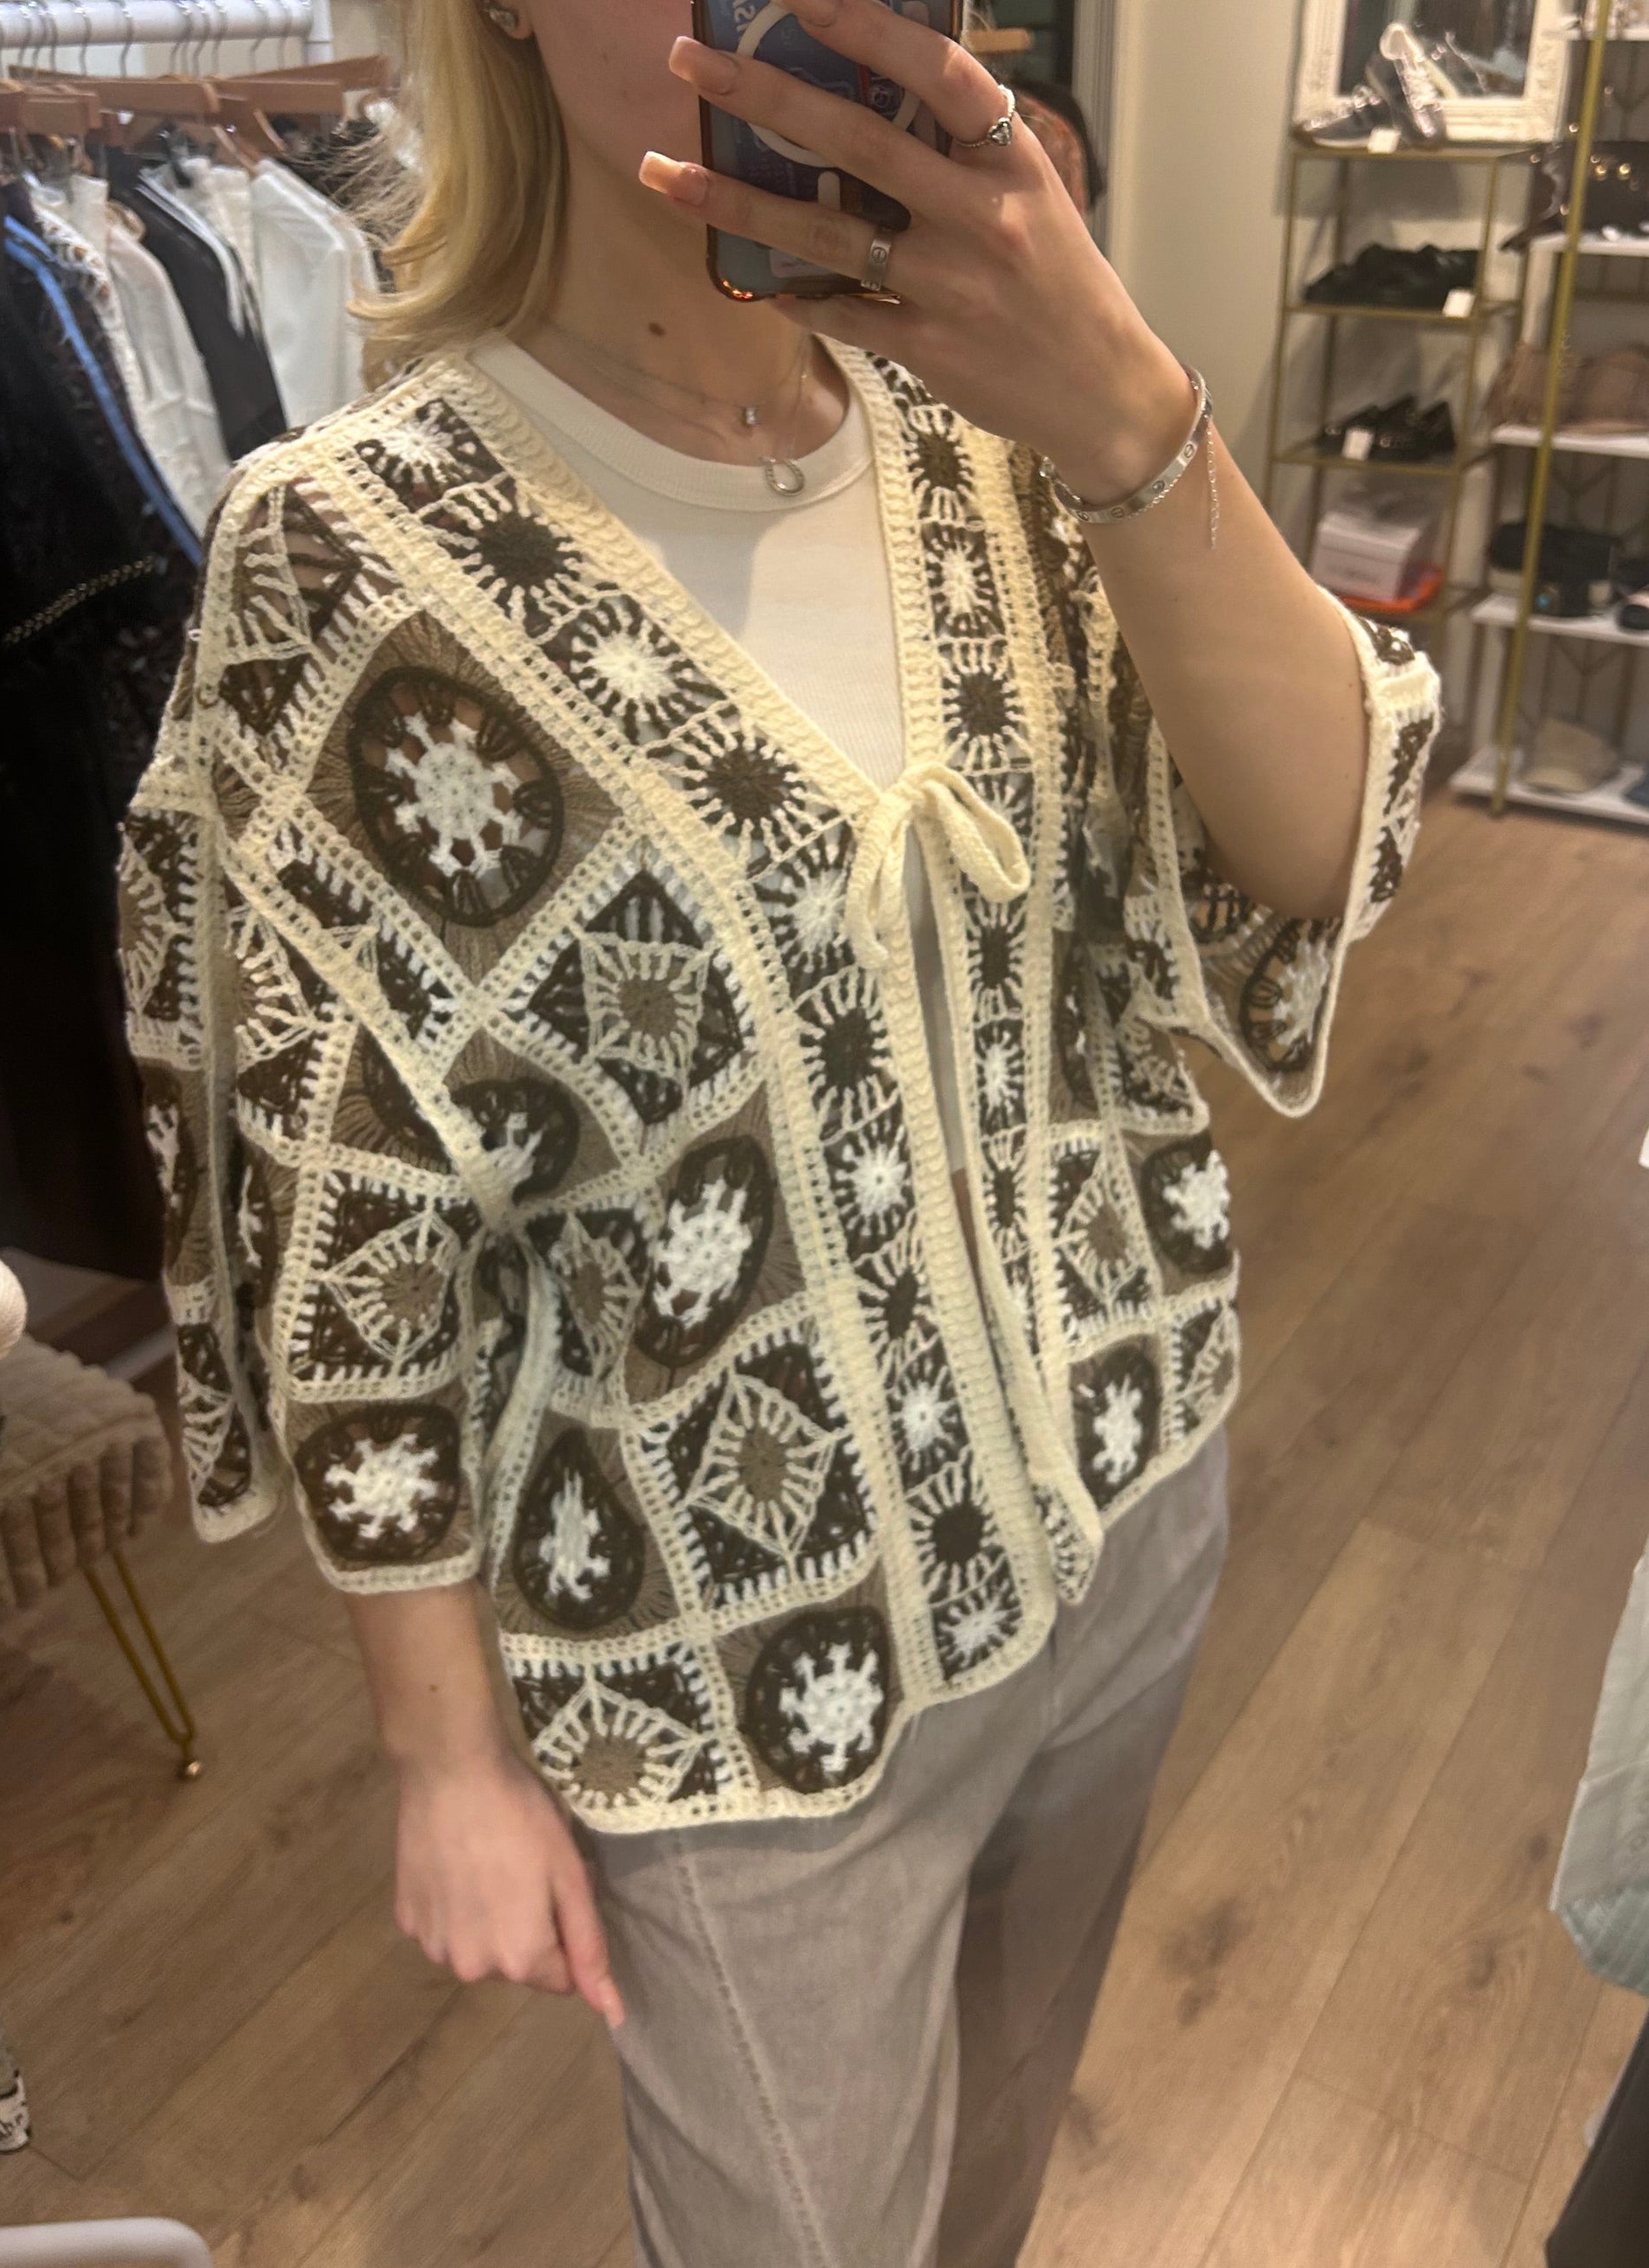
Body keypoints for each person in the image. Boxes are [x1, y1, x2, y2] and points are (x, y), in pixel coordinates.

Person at [118, 2, 1439, 2261]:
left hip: (1129, 1500)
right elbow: (337, 1209)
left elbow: (1319, 853)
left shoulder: (1007, 434)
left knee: (991, 2189)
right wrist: (444, 1750)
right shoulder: (350, 555)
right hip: (730, 1663)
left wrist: (1125, 408)